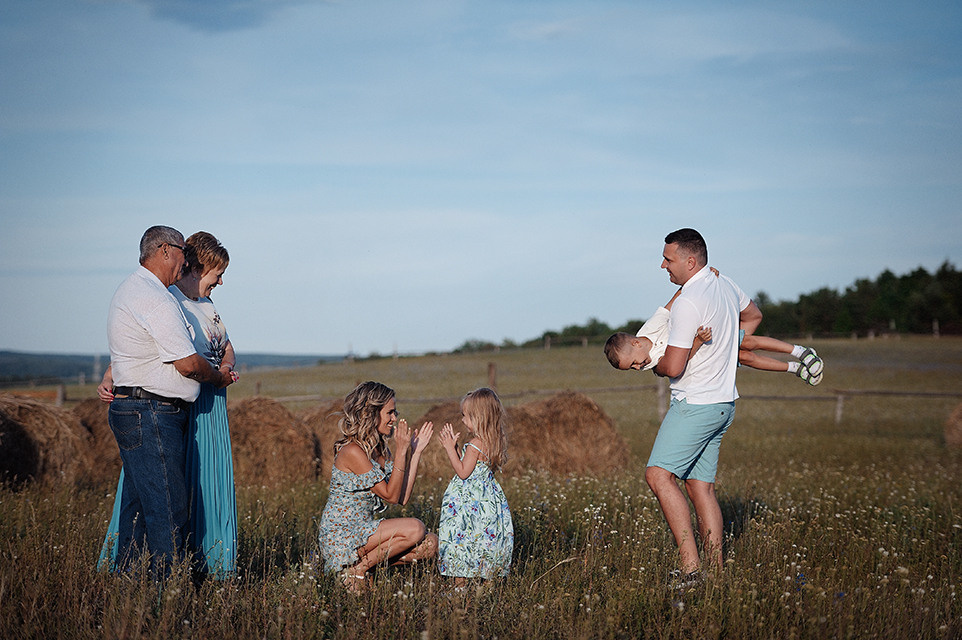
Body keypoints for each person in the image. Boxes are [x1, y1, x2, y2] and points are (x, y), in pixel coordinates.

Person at [99, 231, 240, 579]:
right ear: (167, 251)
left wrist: (223, 367)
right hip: (152, 409)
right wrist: (219, 377)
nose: (221, 281)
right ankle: (170, 591)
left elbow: (142, 345)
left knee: (141, 506)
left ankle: (130, 583)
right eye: (216, 273)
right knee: (167, 507)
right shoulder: (161, 298)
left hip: (159, 407)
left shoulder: (144, 291)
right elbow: (185, 362)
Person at [644, 228, 757, 587]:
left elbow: (673, 368)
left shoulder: (691, 302)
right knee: (700, 486)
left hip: (694, 404)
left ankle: (691, 571)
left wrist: (657, 366)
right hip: (723, 404)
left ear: (690, 261)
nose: (663, 265)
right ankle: (716, 572)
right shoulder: (725, 285)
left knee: (658, 475)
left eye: (668, 259)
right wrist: (727, 349)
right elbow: (752, 316)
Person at [317, 381, 438, 593]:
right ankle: (357, 571)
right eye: (389, 413)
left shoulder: (380, 451)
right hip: (343, 535)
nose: (394, 419)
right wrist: (401, 451)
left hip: (365, 533)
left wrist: (415, 452)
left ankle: (360, 568)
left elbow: (402, 498)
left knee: (431, 544)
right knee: (416, 528)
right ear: (371, 413)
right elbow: (390, 497)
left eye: (395, 412)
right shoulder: (352, 451)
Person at [604, 285, 824, 384]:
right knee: (746, 358)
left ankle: (801, 352)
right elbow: (680, 361)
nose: (638, 368)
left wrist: (702, 280)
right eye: (632, 369)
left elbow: (672, 302)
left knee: (748, 342)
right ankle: (794, 369)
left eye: (633, 363)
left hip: (708, 331)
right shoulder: (651, 364)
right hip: (704, 347)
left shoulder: (650, 328)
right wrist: (698, 342)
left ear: (636, 342)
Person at [437, 388, 514, 586]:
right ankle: (489, 584)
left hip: (468, 502)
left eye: (466, 416)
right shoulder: (494, 441)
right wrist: (456, 448)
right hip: (487, 501)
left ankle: (459, 587)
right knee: (484, 540)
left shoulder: (475, 444)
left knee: (461, 540)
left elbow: (463, 472)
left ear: (478, 418)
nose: (462, 420)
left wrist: (448, 449)